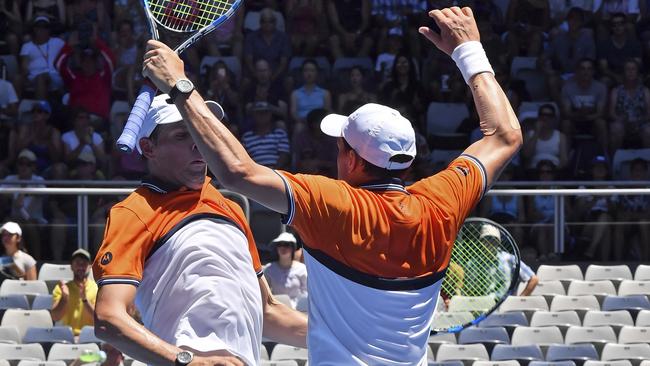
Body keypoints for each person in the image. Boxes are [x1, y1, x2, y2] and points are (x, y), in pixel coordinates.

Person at [142, 6, 522, 364]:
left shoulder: (331, 203)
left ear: (353, 160)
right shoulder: (442, 203)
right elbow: (505, 135)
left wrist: (180, 86)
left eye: (340, 146)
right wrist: (469, 51)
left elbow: (236, 172)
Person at [92, 95, 306, 366]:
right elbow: (108, 318)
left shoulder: (232, 208)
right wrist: (189, 361)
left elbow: (267, 312)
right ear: (148, 147)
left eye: (199, 130)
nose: (198, 143)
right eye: (182, 135)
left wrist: (344, 334)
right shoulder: (133, 212)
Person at [478, 223, 539, 296]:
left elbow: (534, 279)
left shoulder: (510, 259)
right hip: (482, 305)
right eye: (486, 239)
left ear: (498, 242)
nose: (490, 243)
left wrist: (518, 300)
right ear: (481, 242)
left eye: (493, 240)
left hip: (506, 305)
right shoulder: (473, 263)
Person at [51, 248, 96, 336]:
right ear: (71, 266)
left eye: (84, 263)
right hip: (68, 337)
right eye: (77, 262)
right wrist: (64, 298)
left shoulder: (97, 288)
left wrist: (85, 300)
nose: (81, 266)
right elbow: (55, 317)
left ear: (90, 266)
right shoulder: (62, 288)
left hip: (90, 337)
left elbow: (99, 319)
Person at [264, 232, 308, 308]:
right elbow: (265, 292)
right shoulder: (269, 269)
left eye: (287, 245)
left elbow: (306, 293)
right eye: (280, 244)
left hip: (298, 310)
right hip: (277, 309)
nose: (283, 247)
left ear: (293, 248)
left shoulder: (302, 269)